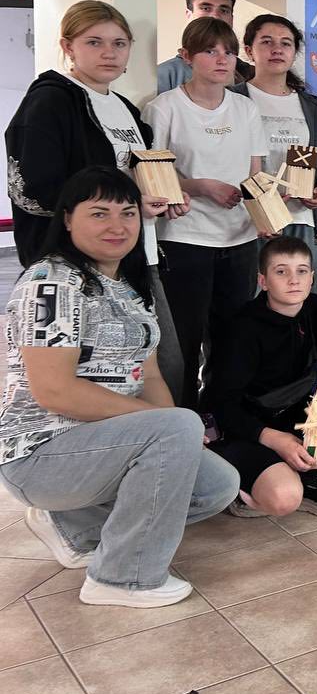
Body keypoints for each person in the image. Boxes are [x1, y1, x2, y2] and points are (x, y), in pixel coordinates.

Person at [0, 166, 238, 607]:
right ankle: (121, 577)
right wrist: (168, 426)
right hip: (41, 452)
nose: (118, 225)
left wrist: (174, 429)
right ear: (67, 219)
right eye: (99, 213)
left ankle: (74, 526)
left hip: (102, 443)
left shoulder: (126, 288)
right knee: (178, 428)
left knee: (216, 486)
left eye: (128, 213)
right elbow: (55, 391)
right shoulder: (52, 283)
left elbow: (150, 376)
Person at [5, 0, 187, 401]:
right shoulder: (51, 100)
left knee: (157, 366)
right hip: (75, 266)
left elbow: (133, 178)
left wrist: (162, 195)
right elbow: (29, 188)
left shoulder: (123, 107)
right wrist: (113, 208)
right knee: (95, 377)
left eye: (119, 43)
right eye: (95, 42)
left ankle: (162, 432)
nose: (109, 53)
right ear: (67, 46)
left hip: (134, 255)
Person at [205, 236, 317, 517]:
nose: (293, 280)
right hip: (249, 429)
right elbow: (222, 405)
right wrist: (274, 439)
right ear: (263, 281)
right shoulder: (243, 327)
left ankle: (309, 474)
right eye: (281, 271)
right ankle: (246, 485)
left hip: (295, 415)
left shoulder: (312, 307)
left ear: (311, 277)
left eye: (301, 271)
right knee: (285, 498)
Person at [143, 17, 268, 412]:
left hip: (240, 239)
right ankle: (182, 420)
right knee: (183, 339)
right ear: (186, 56)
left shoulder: (245, 108)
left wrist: (264, 214)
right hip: (184, 239)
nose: (222, 59)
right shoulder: (163, 108)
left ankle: (222, 417)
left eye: (228, 52)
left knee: (232, 337)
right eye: (210, 51)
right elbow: (153, 173)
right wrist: (200, 186)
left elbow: (255, 174)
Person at [232, 14, 317, 290]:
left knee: (301, 302)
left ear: (294, 52)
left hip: (301, 220)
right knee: (253, 301)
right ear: (249, 50)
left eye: (286, 43)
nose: (277, 49)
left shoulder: (311, 106)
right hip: (250, 224)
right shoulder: (232, 99)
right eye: (267, 42)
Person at [156, 0, 254, 93]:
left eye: (223, 10)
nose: (215, 16)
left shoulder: (251, 74)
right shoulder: (163, 76)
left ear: (231, 19)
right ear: (189, 15)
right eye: (206, 8)